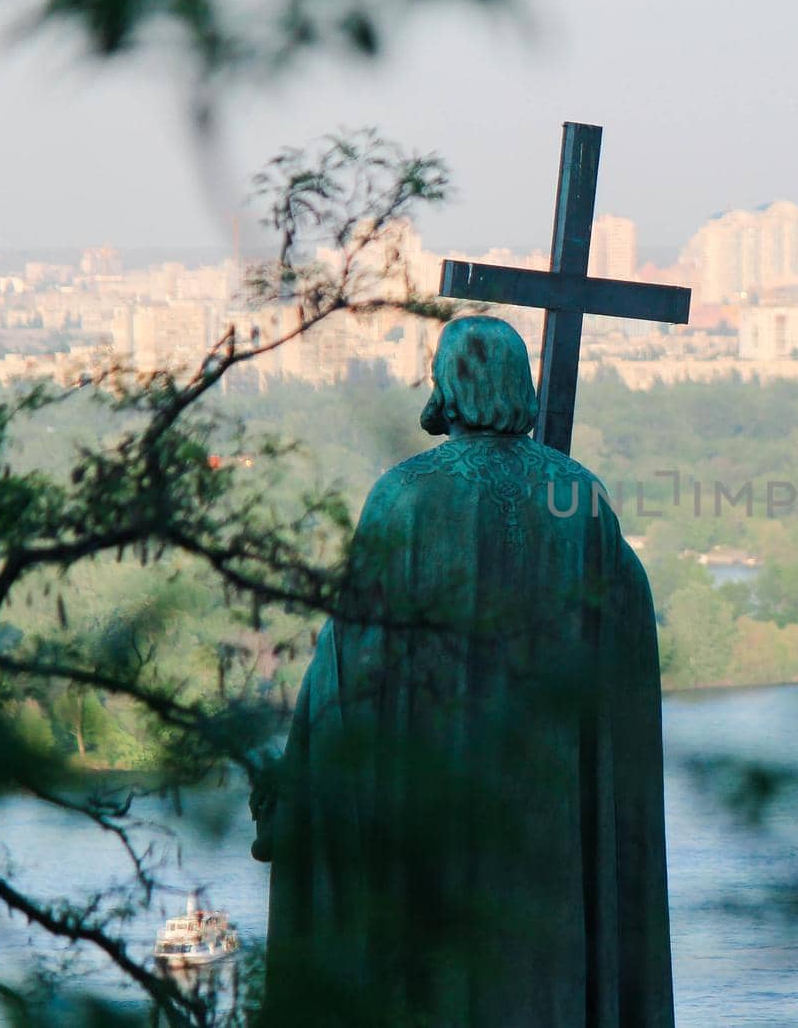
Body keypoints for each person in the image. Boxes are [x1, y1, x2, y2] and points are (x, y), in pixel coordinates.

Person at [253, 317, 673, 1026]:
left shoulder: (406, 496)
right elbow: (627, 649)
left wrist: (301, 775)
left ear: (446, 384)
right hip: (554, 815)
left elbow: (350, 666)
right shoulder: (582, 498)